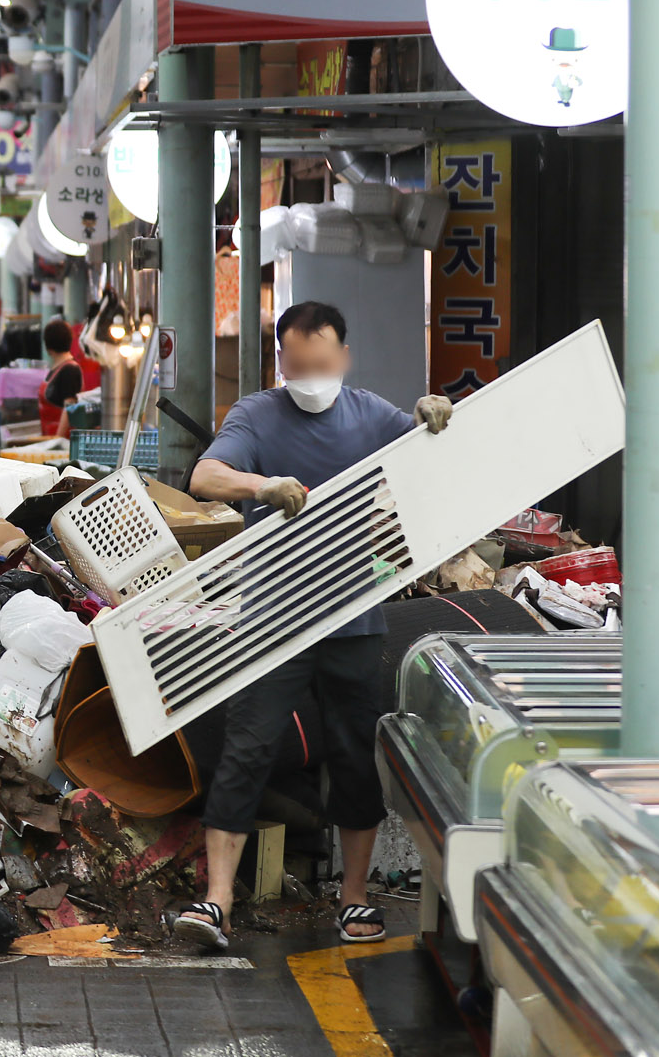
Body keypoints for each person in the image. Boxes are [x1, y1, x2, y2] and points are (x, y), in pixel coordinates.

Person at [175, 302, 454, 951]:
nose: (309, 377)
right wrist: (262, 486)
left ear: (343, 359)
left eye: (321, 365)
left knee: (355, 759)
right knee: (246, 752)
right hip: (271, 622)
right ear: (281, 361)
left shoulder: (370, 414)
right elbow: (204, 476)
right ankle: (215, 901)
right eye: (297, 366)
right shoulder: (255, 414)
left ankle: (353, 900)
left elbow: (423, 443)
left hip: (354, 621)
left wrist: (432, 415)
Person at [38, 319, 83, 437]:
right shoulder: (56, 369)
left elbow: (69, 408)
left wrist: (57, 440)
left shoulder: (70, 370)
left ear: (48, 347)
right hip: (49, 436)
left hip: (63, 442)